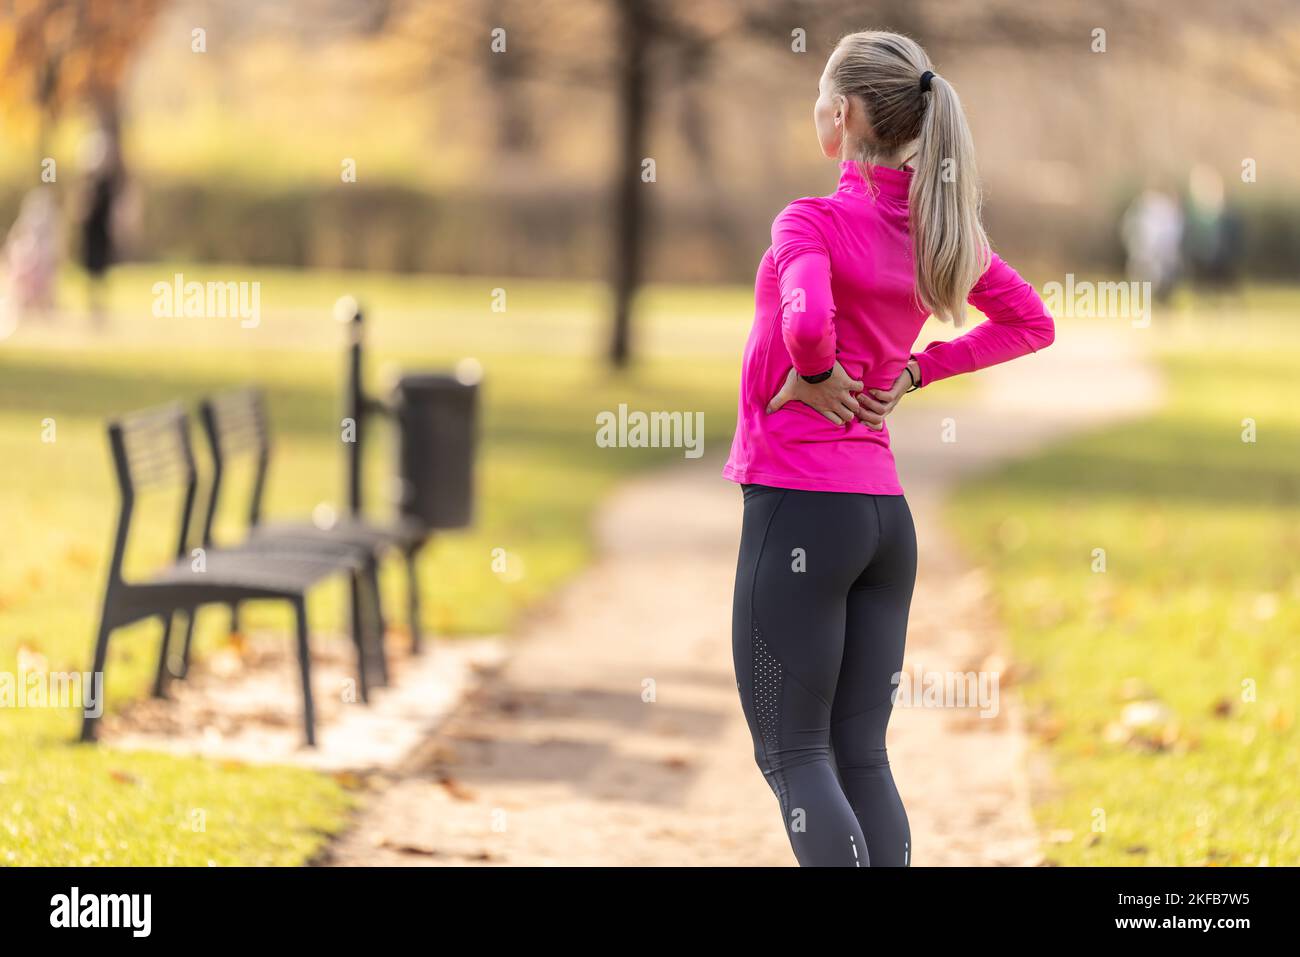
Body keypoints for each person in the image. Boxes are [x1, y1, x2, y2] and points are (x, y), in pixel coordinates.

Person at [722, 30, 1055, 867]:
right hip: (881, 522)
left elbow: (804, 319)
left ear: (843, 115)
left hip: (800, 508)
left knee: (794, 755)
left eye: (819, 101)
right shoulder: (942, 230)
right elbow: (1032, 323)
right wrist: (914, 369)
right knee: (860, 754)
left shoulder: (811, 220)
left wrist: (817, 369)